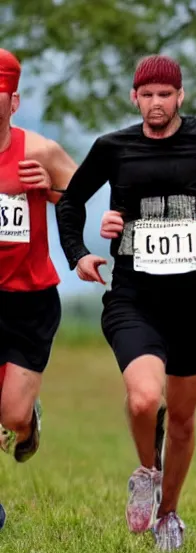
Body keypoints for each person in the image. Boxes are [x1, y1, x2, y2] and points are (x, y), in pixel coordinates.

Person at [55, 54, 196, 552]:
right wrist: (80, 253)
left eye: (164, 95)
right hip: (134, 297)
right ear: (134, 98)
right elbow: (70, 200)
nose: (155, 104)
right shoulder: (113, 147)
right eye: (146, 95)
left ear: (180, 96)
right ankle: (147, 472)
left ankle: (168, 514)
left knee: (184, 418)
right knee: (146, 398)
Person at [0, 48, 77, 467]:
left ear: (14, 101)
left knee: (11, 415)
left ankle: (30, 419)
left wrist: (50, 185)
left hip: (29, 299)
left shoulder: (39, 150)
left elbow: (80, 191)